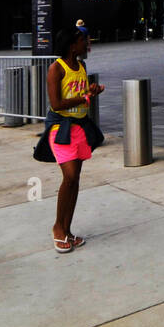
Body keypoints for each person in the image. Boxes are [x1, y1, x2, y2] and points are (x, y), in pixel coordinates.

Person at [43, 26, 104, 252]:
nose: (86, 43)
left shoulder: (81, 66)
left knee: (75, 179)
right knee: (69, 176)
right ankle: (57, 227)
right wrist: (84, 97)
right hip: (61, 128)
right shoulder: (56, 69)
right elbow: (56, 103)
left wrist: (92, 90)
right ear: (71, 45)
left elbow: (81, 93)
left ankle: (67, 230)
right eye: (82, 40)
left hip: (80, 127)